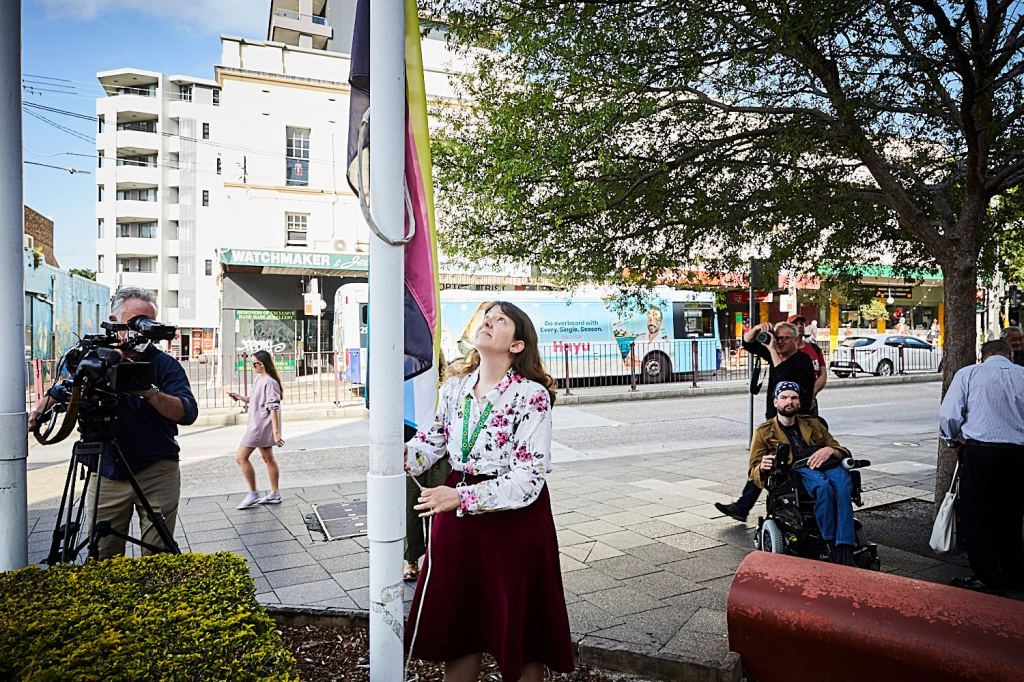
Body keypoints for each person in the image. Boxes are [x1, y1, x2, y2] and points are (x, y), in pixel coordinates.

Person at [404, 301, 574, 682]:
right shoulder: (454, 388)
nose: (488, 323)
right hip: (458, 519)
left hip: (514, 524)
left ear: (517, 345)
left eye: (501, 320)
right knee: (462, 630)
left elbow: (529, 478)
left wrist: (461, 498)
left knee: (523, 634)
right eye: (487, 317)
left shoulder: (531, 395)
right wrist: (399, 454)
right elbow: (432, 444)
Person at [28, 287, 198, 559]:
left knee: (159, 557)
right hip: (106, 468)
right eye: (134, 322)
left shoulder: (163, 365)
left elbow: (188, 412)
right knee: (102, 554)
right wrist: (39, 412)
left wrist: (149, 391)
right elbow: (63, 390)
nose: (140, 332)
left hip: (156, 468)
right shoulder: (92, 358)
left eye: (148, 323)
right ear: (113, 320)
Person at [939, 340, 1024, 593]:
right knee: (1012, 515)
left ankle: (987, 575)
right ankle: (1015, 572)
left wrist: (952, 441)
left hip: (980, 452)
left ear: (982, 355)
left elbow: (949, 415)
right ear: (1010, 355)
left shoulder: (968, 374)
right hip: (1018, 454)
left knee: (977, 516)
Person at [715, 321, 816, 523]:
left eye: (783, 339)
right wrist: (758, 329)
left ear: (795, 340)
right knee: (765, 461)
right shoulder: (775, 354)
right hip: (775, 420)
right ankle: (743, 506)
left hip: (796, 423)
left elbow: (785, 377)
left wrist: (770, 348)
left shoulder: (802, 360)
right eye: (776, 338)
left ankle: (748, 506)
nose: (778, 342)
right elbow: (747, 342)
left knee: (774, 461)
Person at [748, 382, 857, 565]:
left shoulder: (813, 423)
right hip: (798, 469)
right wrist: (763, 466)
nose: (789, 402)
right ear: (775, 402)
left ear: (799, 402)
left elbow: (838, 447)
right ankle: (829, 540)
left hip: (825, 463)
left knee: (844, 485)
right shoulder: (764, 431)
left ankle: (844, 545)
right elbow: (752, 470)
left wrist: (829, 451)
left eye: (794, 398)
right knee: (823, 487)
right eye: (784, 398)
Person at [230, 350, 285, 509]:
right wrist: (240, 397)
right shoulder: (259, 379)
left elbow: (273, 407)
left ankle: (253, 493)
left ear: (262, 364)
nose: (253, 367)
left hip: (260, 426)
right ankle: (274, 494)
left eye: (255, 364)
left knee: (241, 457)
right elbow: (255, 400)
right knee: (268, 459)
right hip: (257, 423)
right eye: (252, 364)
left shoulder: (270, 382)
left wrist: (276, 433)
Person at [789, 314, 827, 414]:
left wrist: (811, 394)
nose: (800, 326)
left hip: (810, 403)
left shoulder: (814, 349)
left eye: (802, 324)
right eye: (795, 324)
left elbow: (823, 374)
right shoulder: (784, 350)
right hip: (788, 404)